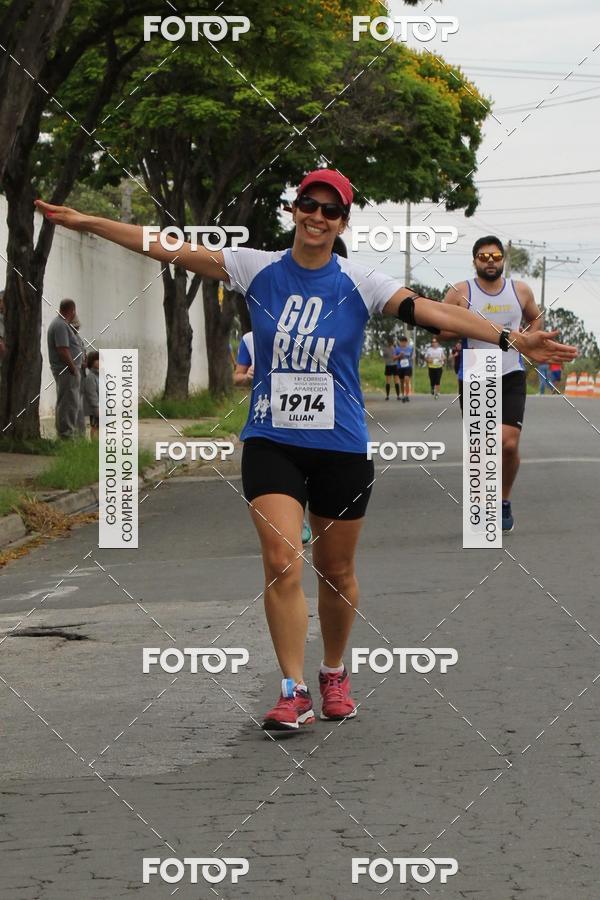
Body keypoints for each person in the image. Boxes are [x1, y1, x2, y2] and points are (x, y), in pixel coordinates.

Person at [36, 173, 576, 731]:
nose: (317, 216)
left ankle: (334, 671)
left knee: (336, 570)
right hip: (273, 441)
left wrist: (508, 338)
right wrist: (87, 223)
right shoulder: (255, 267)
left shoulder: (360, 281)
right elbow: (166, 245)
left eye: (330, 210)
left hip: (341, 446)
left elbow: (435, 313)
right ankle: (291, 690)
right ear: (295, 210)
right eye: (308, 205)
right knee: (280, 560)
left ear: (342, 222)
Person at [439, 235, 546, 533]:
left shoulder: (520, 290)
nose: (490, 261)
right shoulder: (461, 292)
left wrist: (525, 339)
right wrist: (460, 328)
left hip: (511, 371)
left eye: (495, 256)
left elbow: (535, 319)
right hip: (476, 371)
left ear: (503, 259)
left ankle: (502, 501)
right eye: (483, 257)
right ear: (474, 261)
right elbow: (437, 327)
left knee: (508, 444)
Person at [235, 330, 313, 546]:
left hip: (309, 413)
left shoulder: (311, 332)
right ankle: (296, 520)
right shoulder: (250, 339)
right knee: (277, 472)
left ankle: (299, 514)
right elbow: (237, 376)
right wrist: (247, 376)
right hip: (268, 417)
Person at [47, 299, 84, 439]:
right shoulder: (61, 325)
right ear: (72, 310)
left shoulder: (62, 324)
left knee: (70, 401)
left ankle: (68, 432)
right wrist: (73, 367)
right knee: (68, 402)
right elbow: (62, 349)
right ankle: (66, 435)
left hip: (68, 369)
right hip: (66, 370)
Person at [84, 350, 100, 437]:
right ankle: (95, 444)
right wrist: (96, 408)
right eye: (97, 360)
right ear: (91, 362)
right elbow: (91, 394)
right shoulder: (91, 377)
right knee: (95, 426)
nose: (99, 361)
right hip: (95, 409)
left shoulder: (100, 376)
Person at [395, 334, 413, 402]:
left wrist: (412, 357)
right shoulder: (397, 349)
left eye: (404, 342)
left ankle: (407, 395)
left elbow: (413, 356)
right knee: (402, 382)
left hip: (408, 367)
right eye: (402, 342)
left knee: (407, 380)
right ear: (400, 342)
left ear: (406, 342)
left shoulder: (410, 348)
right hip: (400, 367)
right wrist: (399, 356)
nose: (403, 343)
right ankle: (402, 395)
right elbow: (394, 358)